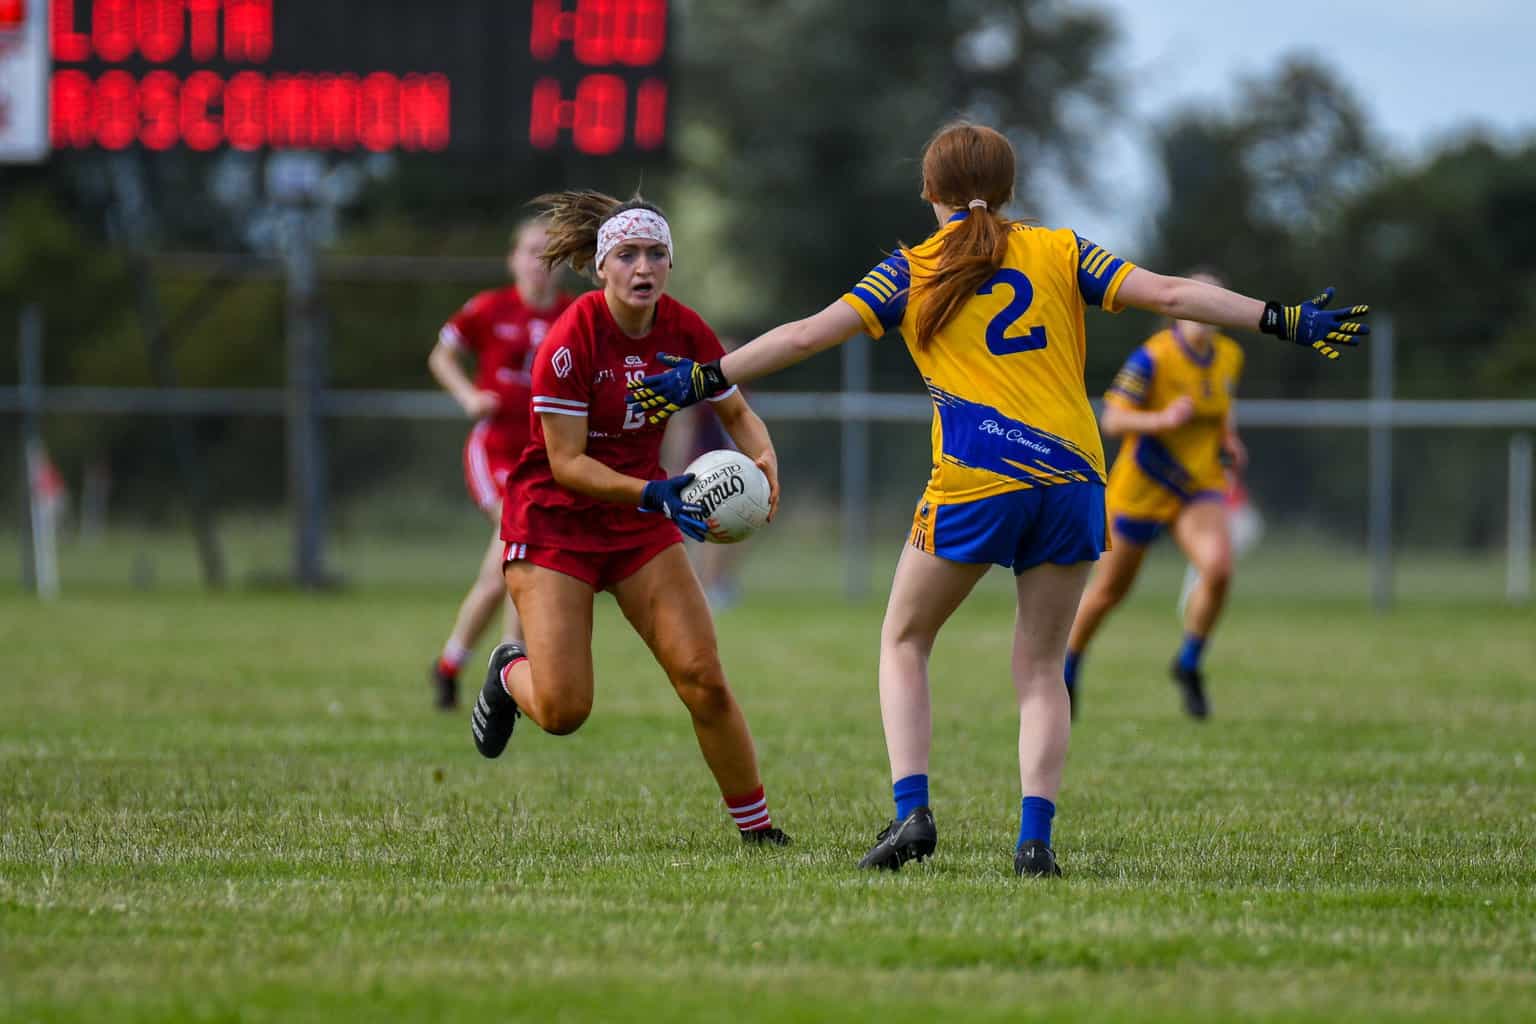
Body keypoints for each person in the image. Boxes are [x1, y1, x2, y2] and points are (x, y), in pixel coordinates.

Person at [627, 121, 1369, 876]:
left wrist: (702, 377)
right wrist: (1286, 318)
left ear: (929, 193)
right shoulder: (1063, 249)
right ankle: (1034, 842)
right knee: (1042, 670)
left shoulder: (910, 269)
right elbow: (1175, 293)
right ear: (1010, 189)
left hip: (978, 482)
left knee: (904, 641)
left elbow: (805, 336)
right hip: (1075, 481)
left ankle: (913, 813)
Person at [469, 189, 792, 847]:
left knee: (702, 678)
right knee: (563, 710)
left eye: (655, 254)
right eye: (628, 255)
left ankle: (757, 833)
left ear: (669, 265)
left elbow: (734, 411)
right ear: (600, 267)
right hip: (556, 521)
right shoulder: (571, 338)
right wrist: (655, 495)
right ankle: (507, 672)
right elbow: (565, 464)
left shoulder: (684, 329)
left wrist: (763, 457)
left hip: (640, 521)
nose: (643, 267)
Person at [1064, 271, 1248, 720]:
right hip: (1142, 486)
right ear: (1181, 313)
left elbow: (1220, 410)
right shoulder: (1152, 358)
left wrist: (1229, 439)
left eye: (1214, 302)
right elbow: (1113, 420)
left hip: (1197, 487)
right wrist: (1161, 420)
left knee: (1219, 569)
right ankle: (1067, 668)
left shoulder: (1229, 357)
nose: (1204, 313)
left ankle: (1188, 663)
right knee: (1109, 592)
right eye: (1197, 303)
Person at [425, 219, 575, 710]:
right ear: (513, 259)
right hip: (496, 453)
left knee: (506, 571)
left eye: (548, 254)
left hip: (548, 457)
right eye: (531, 252)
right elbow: (441, 356)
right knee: (520, 553)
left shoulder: (575, 316)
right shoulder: (490, 308)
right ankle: (509, 670)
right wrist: (469, 395)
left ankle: (455, 665)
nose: (538, 263)